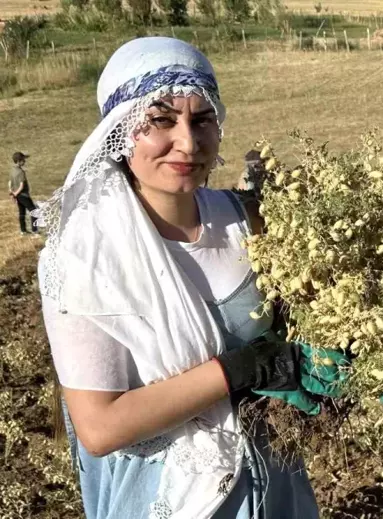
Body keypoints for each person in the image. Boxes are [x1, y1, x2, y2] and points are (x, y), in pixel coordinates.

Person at [37, 37, 321, 519]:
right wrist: (243, 369)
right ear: (120, 130)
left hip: (274, 483)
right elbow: (100, 428)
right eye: (161, 120)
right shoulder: (84, 257)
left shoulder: (247, 220)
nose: (187, 143)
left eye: (202, 119)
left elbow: (305, 321)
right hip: (173, 496)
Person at [9, 151, 38, 236]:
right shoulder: (21, 172)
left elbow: (10, 183)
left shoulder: (12, 170)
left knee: (22, 212)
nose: (24, 161)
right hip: (23, 195)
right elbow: (21, 186)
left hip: (17, 195)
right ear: (18, 161)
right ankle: (35, 231)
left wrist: (12, 193)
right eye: (23, 160)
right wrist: (15, 194)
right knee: (34, 211)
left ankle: (23, 231)